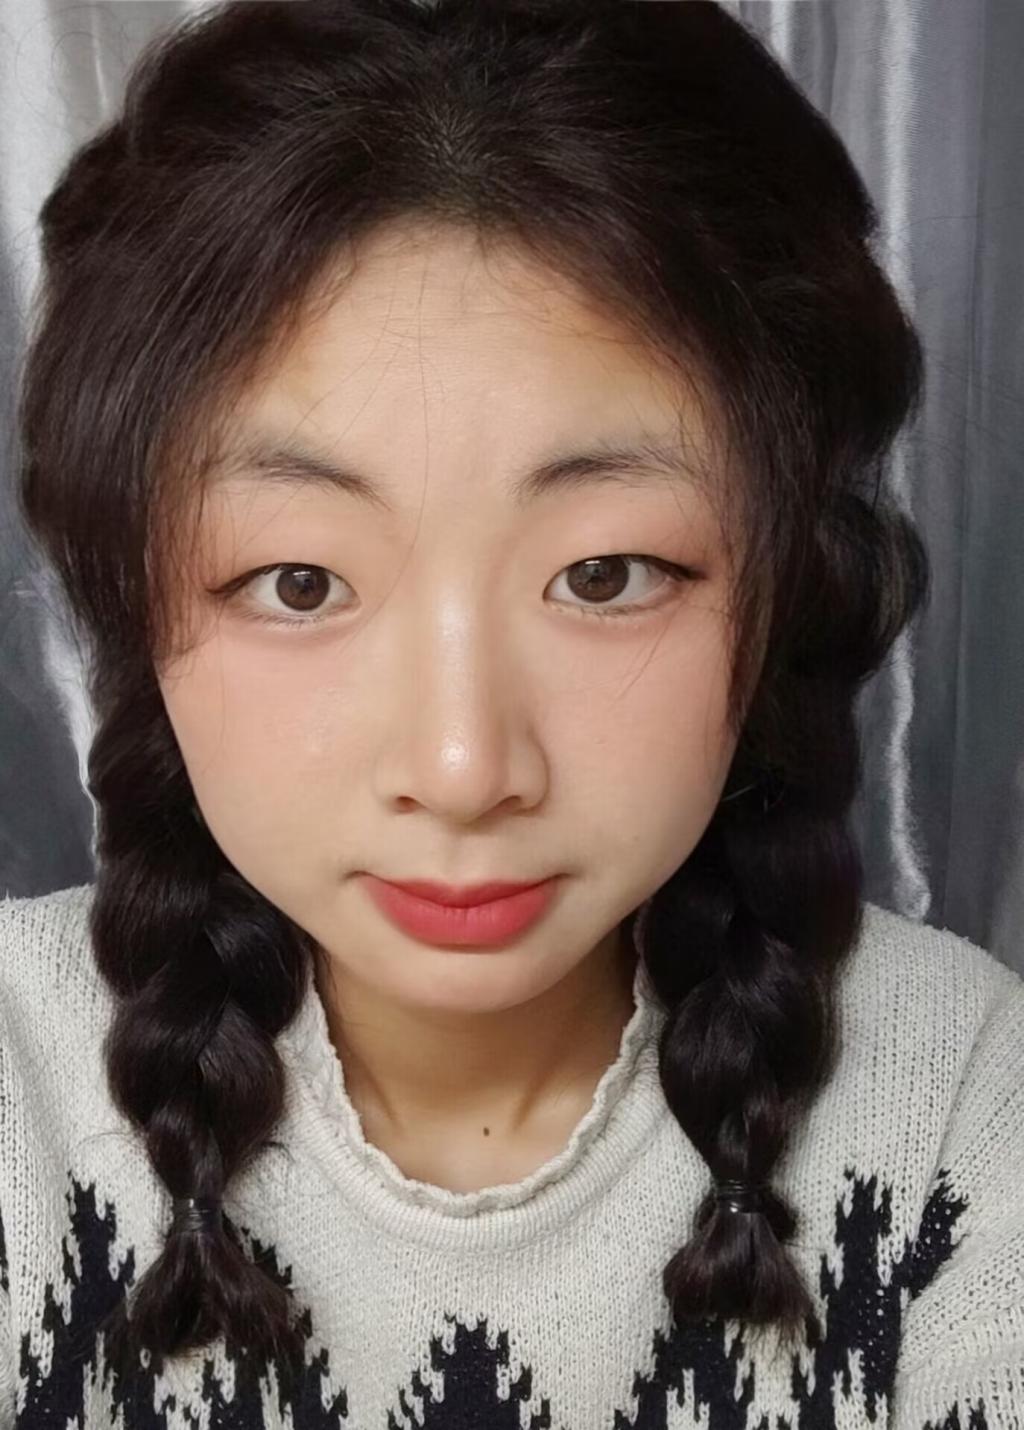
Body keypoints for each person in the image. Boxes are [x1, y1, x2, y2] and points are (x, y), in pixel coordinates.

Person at [2, 0, 1021, 1426]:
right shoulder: (17, 1090)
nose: (464, 766)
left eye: (604, 574)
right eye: (300, 581)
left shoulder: (964, 1098)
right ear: (135, 607)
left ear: (784, 582)